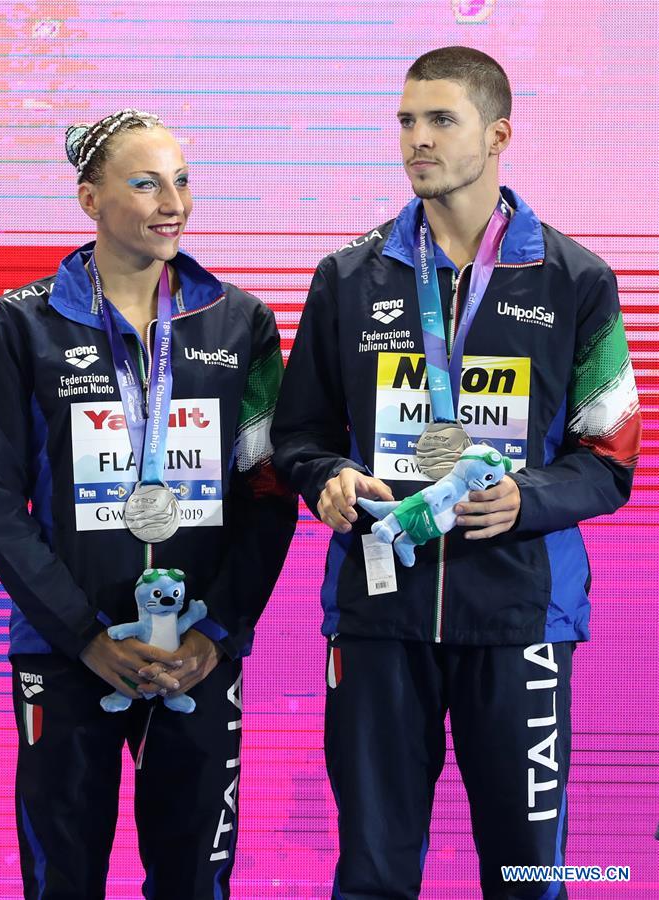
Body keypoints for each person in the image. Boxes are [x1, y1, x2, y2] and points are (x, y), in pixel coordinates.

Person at [271, 47, 641, 900]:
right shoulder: (347, 277)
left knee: (524, 873)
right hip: (376, 618)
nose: (416, 140)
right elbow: (296, 434)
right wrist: (324, 475)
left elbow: (610, 460)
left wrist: (527, 497)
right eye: (406, 121)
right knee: (370, 871)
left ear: (498, 134)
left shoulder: (576, 280)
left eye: (440, 120)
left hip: (519, 619)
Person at [0, 109, 297, 899]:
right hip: (65, 651)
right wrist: (84, 638)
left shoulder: (239, 321)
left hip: (197, 653)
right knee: (62, 880)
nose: (170, 202)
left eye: (180, 180)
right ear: (89, 199)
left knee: (194, 882)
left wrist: (216, 633)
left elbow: (266, 490)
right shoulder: (23, 323)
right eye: (144, 183)